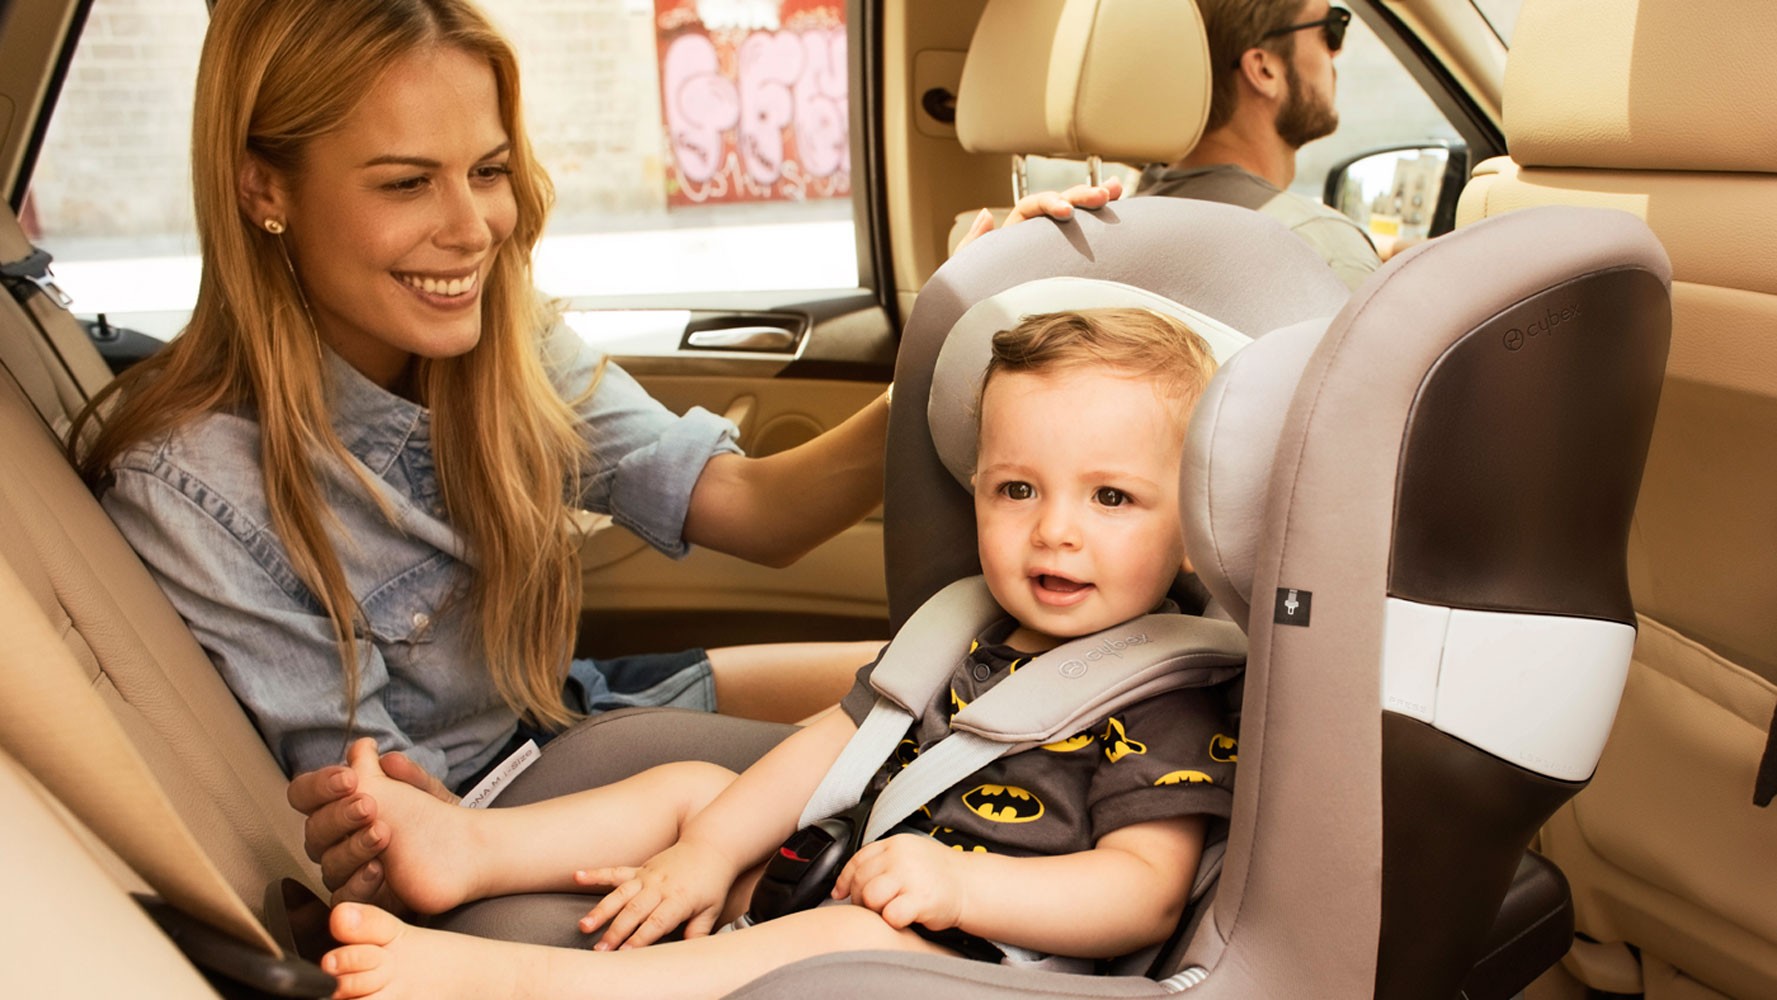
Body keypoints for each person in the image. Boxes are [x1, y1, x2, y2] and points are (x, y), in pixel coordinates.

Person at [72, 0, 1121, 910]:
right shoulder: (194, 486)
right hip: (496, 804)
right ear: (265, 189)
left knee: (989, 684)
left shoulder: (503, 341)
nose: (473, 228)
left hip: (575, 708)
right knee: (961, 765)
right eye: (405, 184)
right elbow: (397, 819)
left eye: (488, 171)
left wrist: (956, 329)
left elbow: (758, 511)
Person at [316, 306, 1237, 999]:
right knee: (692, 791)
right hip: (861, 870)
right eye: (1017, 490)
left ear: (1194, 529)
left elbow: (1142, 894)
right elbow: (830, 746)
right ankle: (472, 847)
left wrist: (960, 884)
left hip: (980, 955)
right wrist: (708, 852)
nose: (1055, 531)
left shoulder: (1166, 701)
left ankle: (535, 985)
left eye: (1110, 498)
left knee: (831, 940)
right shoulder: (964, 628)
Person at [1137, 0, 1381, 289]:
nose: (1336, 51)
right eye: (1331, 29)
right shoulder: (1323, 250)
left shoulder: (1114, 224)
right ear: (1263, 69)